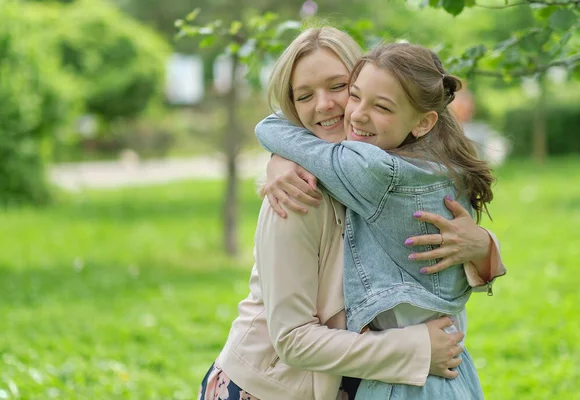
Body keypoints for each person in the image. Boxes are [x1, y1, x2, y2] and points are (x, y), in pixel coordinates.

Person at [199, 27, 506, 400]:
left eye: (338, 86)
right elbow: (293, 339)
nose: (325, 105)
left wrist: (482, 246)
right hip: (273, 387)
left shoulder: (395, 172)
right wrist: (418, 349)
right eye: (304, 96)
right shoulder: (296, 195)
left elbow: (422, 273)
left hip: (358, 379)